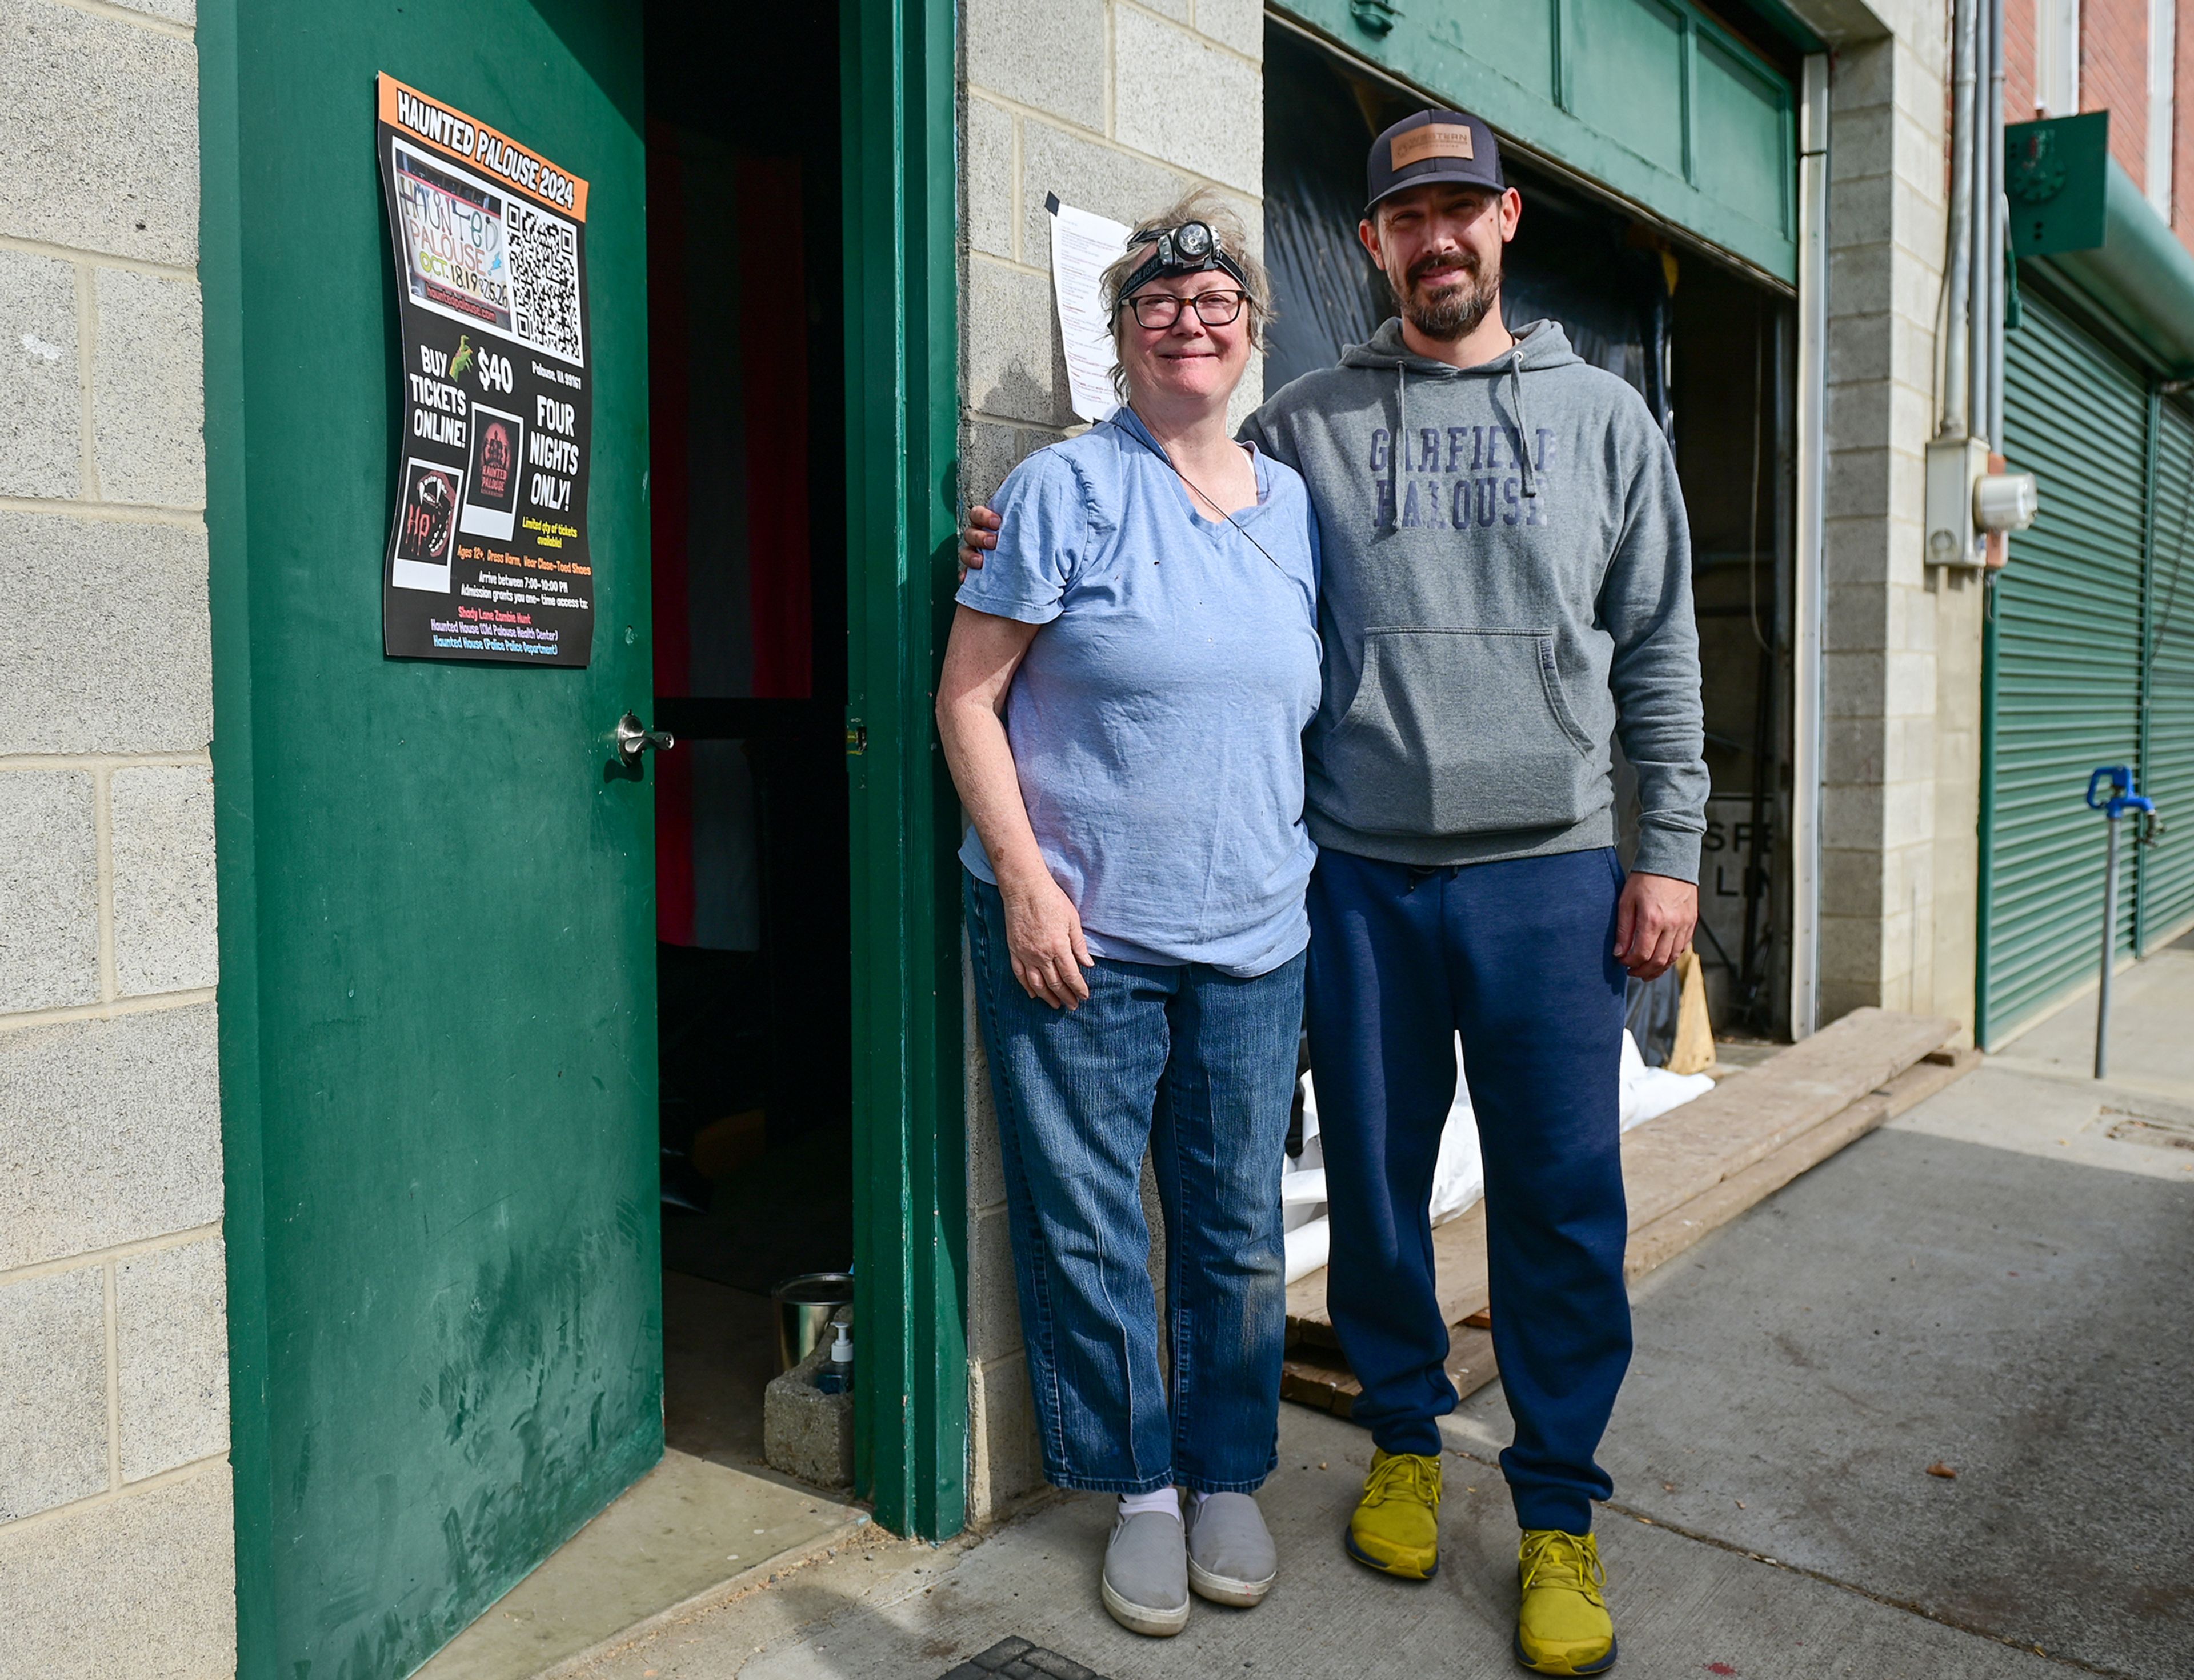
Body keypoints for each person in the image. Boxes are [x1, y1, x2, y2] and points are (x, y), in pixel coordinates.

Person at [963, 112, 1706, 1675]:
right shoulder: (1303, 429)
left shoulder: (1606, 420)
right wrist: (1008, 539)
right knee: (1368, 1188)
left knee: (1562, 1199)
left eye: (1459, 212)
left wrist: (1670, 848)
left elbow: (1660, 644)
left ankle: (1561, 1505)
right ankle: (1405, 1441)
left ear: (1503, 222)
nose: (1434, 240)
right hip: (1360, 872)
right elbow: (1158, 499)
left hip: (1549, 867)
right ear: (1370, 243)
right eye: (1403, 219)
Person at [935, 191, 1323, 1639]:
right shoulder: (1060, 491)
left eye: (1218, 303)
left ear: (1252, 333)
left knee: (1230, 1225)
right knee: (1092, 1221)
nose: (1192, 320)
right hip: (1078, 935)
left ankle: (1229, 1472)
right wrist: (1027, 881)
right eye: (1159, 303)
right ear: (1119, 335)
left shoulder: (1294, 508)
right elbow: (964, 697)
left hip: (1255, 933)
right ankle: (1142, 1492)